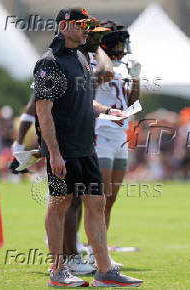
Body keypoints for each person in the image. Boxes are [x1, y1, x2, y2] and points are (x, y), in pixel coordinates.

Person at [34, 7, 142, 287]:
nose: (86, 30)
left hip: (86, 147)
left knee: (97, 202)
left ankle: (104, 271)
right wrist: (54, 153)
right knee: (59, 204)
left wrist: (109, 110)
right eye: (82, 24)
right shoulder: (50, 62)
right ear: (65, 26)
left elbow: (85, 102)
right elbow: (43, 111)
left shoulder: (81, 59)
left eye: (88, 25)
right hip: (64, 148)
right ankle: (58, 271)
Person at [92, 20, 141, 267]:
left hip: (121, 134)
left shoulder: (124, 68)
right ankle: (90, 251)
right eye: (121, 44)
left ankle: (101, 250)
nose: (125, 48)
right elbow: (89, 89)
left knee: (111, 197)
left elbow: (133, 104)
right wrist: (103, 73)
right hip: (102, 131)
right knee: (98, 197)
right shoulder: (97, 63)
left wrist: (137, 79)